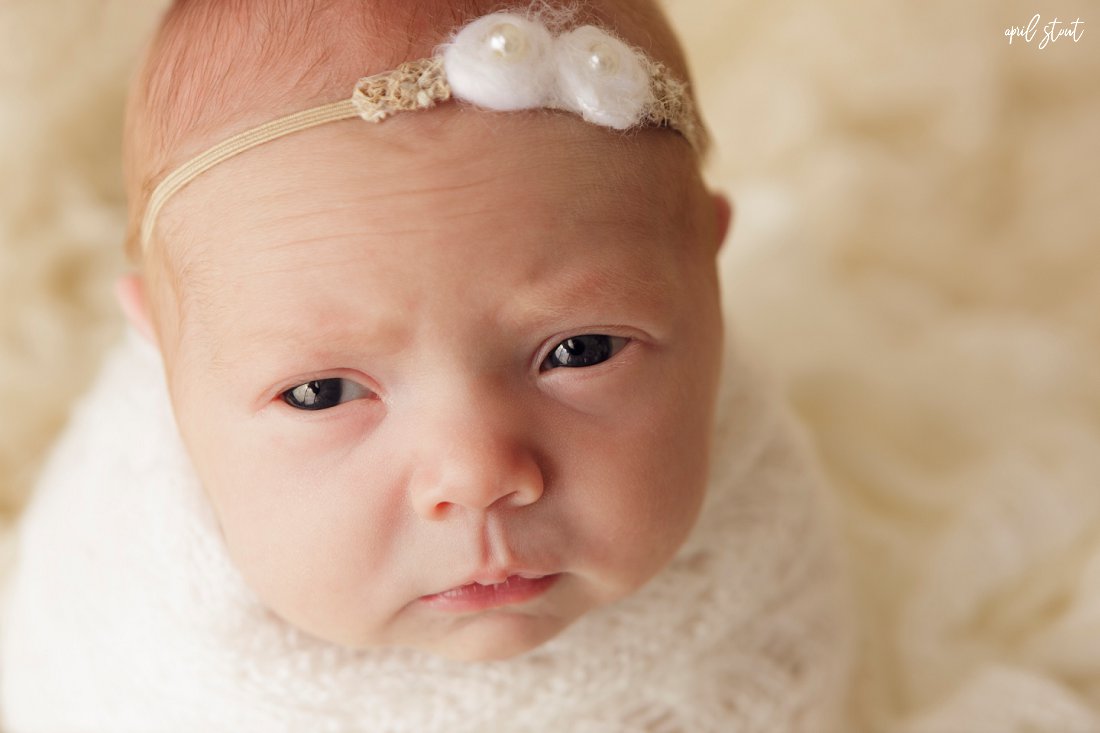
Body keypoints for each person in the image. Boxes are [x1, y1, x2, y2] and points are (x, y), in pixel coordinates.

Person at [0, 0, 852, 729]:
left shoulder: (760, 556)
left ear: (707, 270)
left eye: (579, 350)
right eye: (322, 391)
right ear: (163, 355)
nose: (477, 474)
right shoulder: (123, 623)